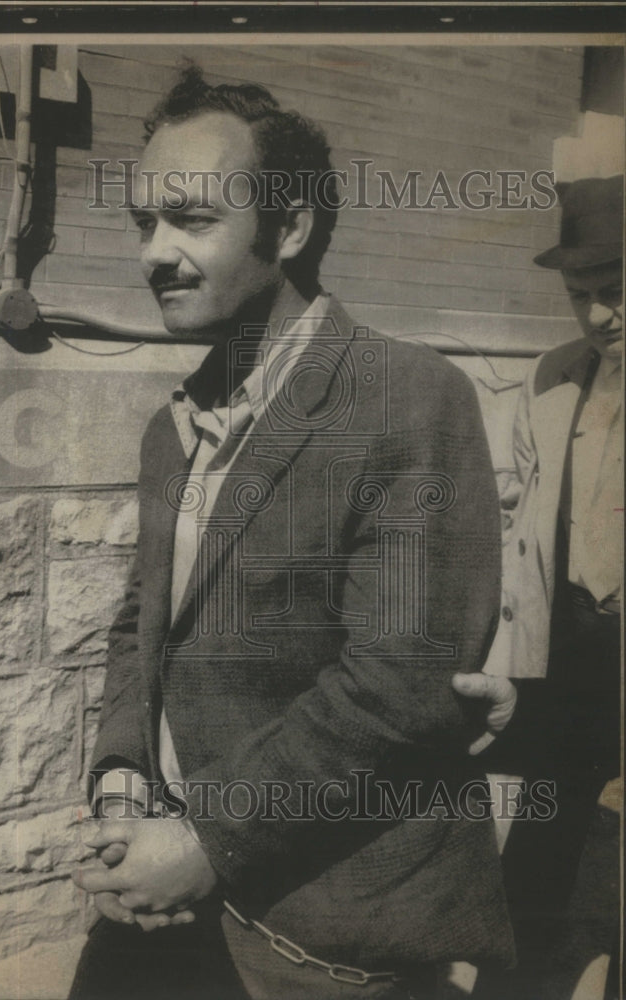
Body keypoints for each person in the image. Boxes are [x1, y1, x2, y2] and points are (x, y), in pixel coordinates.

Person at [70, 65, 514, 1000]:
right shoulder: (173, 426)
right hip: (164, 903)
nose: (153, 252)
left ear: (292, 226)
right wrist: (120, 784)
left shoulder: (406, 398)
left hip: (322, 936)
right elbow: (143, 622)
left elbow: (402, 681)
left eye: (191, 220)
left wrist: (205, 838)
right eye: (142, 221)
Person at [453, 174, 623, 999]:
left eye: (617, 292)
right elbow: (519, 511)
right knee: (543, 836)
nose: (597, 316)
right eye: (579, 294)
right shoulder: (553, 376)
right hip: (568, 656)